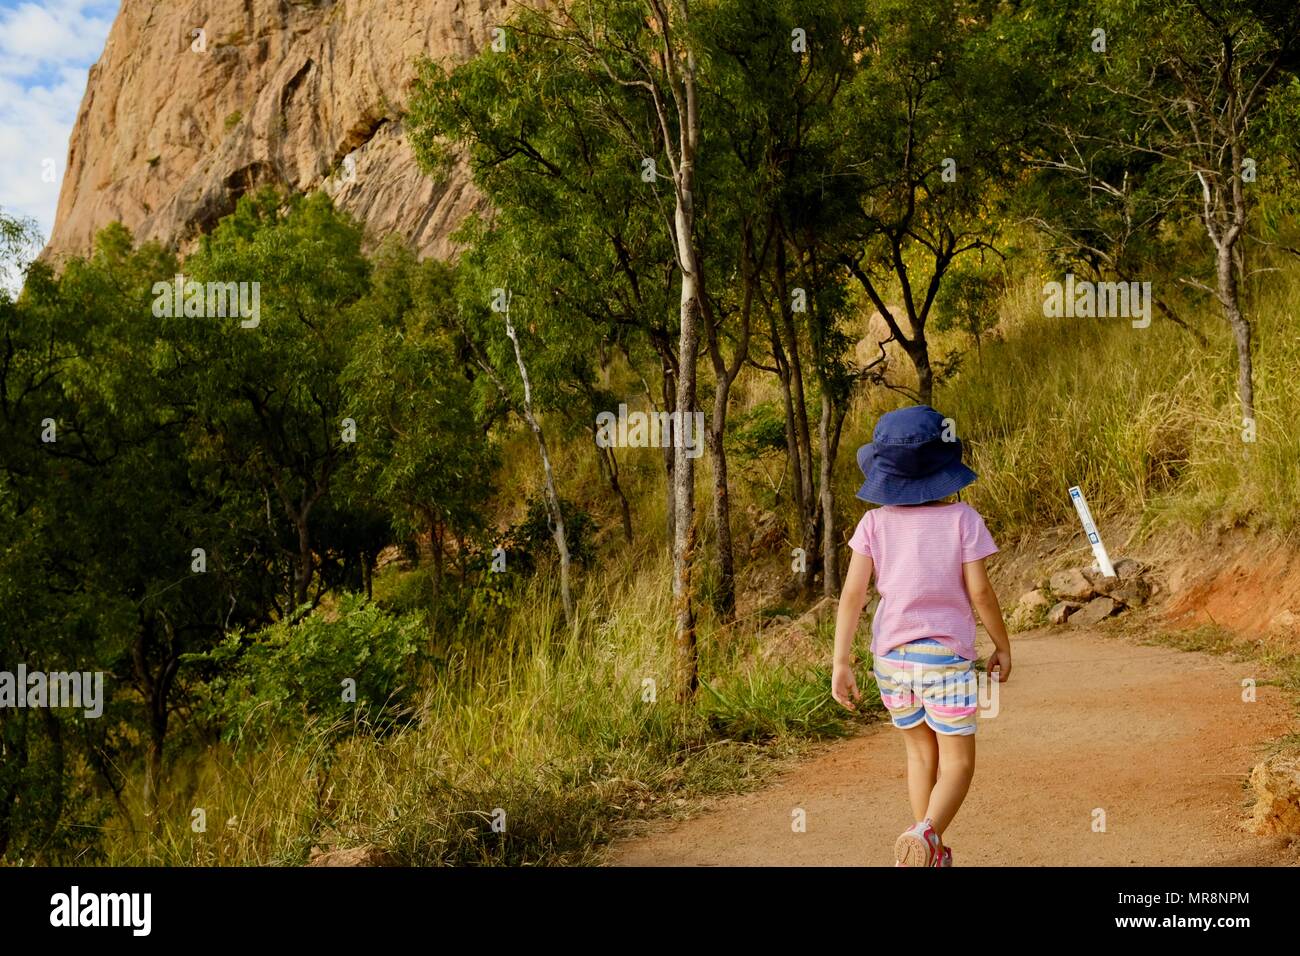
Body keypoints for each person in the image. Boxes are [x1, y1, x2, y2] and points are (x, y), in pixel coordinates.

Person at [831, 404, 1011, 867]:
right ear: (944, 466)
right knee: (959, 763)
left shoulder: (873, 524)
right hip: (944, 659)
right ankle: (927, 834)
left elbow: (852, 596)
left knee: (919, 754)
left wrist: (841, 662)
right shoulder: (962, 520)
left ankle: (928, 849)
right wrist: (1002, 644)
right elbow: (981, 592)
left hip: (890, 662)